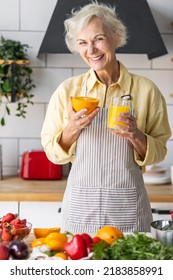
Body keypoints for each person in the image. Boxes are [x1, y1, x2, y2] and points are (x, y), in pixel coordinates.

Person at [41, 1, 171, 234]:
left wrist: (136, 135)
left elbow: (160, 149)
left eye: (98, 39)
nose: (91, 50)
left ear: (116, 36)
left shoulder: (146, 90)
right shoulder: (68, 91)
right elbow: (52, 153)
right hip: (81, 208)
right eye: (83, 43)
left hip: (128, 207)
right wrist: (72, 129)